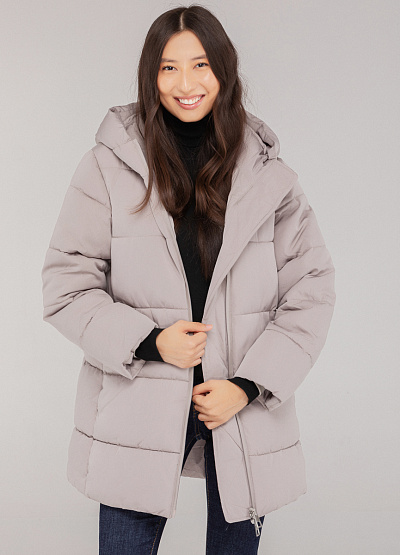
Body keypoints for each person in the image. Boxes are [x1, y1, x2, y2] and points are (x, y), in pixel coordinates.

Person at [41, 5, 336, 554]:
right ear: (150, 76)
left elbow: (311, 290)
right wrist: (151, 342)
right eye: (169, 68)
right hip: (139, 404)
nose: (186, 84)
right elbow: (66, 285)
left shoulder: (268, 173)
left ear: (224, 69)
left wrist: (247, 387)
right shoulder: (107, 166)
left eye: (200, 65)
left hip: (238, 408)